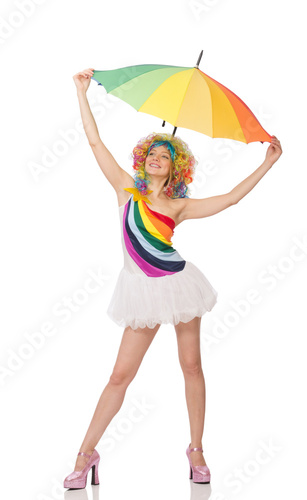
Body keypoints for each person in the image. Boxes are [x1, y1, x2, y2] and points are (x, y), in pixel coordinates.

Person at [63, 68, 282, 489]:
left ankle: (196, 450)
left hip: (178, 285)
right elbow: (94, 141)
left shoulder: (179, 207)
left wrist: (267, 163)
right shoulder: (126, 189)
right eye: (151, 153)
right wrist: (82, 93)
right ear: (142, 158)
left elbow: (231, 199)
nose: (155, 159)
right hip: (140, 291)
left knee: (191, 366)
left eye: (164, 156)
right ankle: (85, 453)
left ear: (174, 167)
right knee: (119, 376)